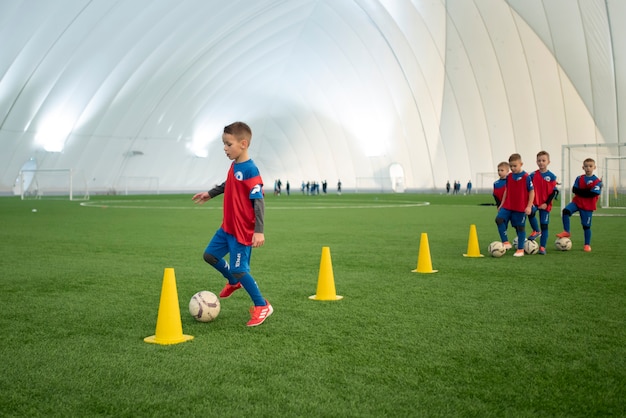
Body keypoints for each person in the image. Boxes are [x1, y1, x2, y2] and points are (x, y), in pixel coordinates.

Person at [192, 122, 273, 327]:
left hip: (242, 232)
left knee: (239, 268)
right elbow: (230, 183)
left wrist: (259, 231)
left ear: (243, 144)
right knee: (210, 256)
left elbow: (259, 201)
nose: (225, 148)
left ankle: (262, 305)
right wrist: (210, 194)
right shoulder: (235, 166)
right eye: (224, 144)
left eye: (228, 144)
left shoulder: (250, 169)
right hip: (227, 228)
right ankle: (233, 281)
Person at [556, 158, 603, 252]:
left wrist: (582, 192)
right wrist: (587, 190)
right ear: (583, 167)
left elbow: (593, 194)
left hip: (588, 206)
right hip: (577, 202)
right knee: (565, 211)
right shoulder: (579, 178)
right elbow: (574, 190)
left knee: (586, 226)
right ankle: (567, 231)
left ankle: (587, 245)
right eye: (586, 166)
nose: (588, 168)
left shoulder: (597, 181)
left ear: (594, 167)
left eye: (590, 166)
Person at [495, 153, 535, 256]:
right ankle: (506, 242)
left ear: (521, 164)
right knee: (499, 219)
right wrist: (502, 204)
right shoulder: (509, 176)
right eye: (511, 166)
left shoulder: (526, 177)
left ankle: (520, 249)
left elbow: (532, 192)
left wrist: (529, 206)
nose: (512, 168)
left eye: (515, 166)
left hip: (520, 207)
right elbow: (506, 191)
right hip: (508, 206)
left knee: (520, 227)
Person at [527, 151, 559, 254]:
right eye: (539, 160)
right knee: (530, 212)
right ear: (536, 161)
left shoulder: (552, 176)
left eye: (543, 160)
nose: (541, 162)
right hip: (535, 203)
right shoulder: (532, 175)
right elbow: (528, 188)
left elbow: (554, 192)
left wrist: (546, 203)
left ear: (548, 162)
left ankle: (542, 247)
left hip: (545, 204)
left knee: (544, 225)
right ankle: (536, 230)